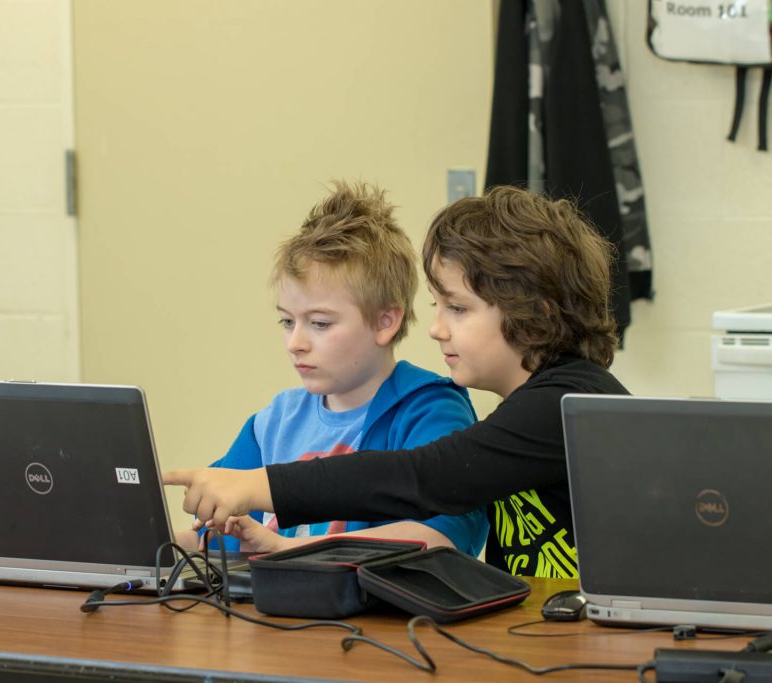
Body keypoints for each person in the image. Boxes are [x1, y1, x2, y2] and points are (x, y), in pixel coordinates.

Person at [165, 185, 630, 578]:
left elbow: (425, 476)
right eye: (438, 307)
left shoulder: (569, 404)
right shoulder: (531, 409)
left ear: (533, 315)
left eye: (458, 308)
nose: (436, 328)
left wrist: (259, 486)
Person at [176, 180, 488, 557]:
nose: (296, 343)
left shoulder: (430, 410)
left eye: (320, 324)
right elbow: (216, 541)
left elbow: (442, 539)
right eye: (287, 322)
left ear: (385, 322)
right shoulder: (275, 421)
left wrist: (292, 548)